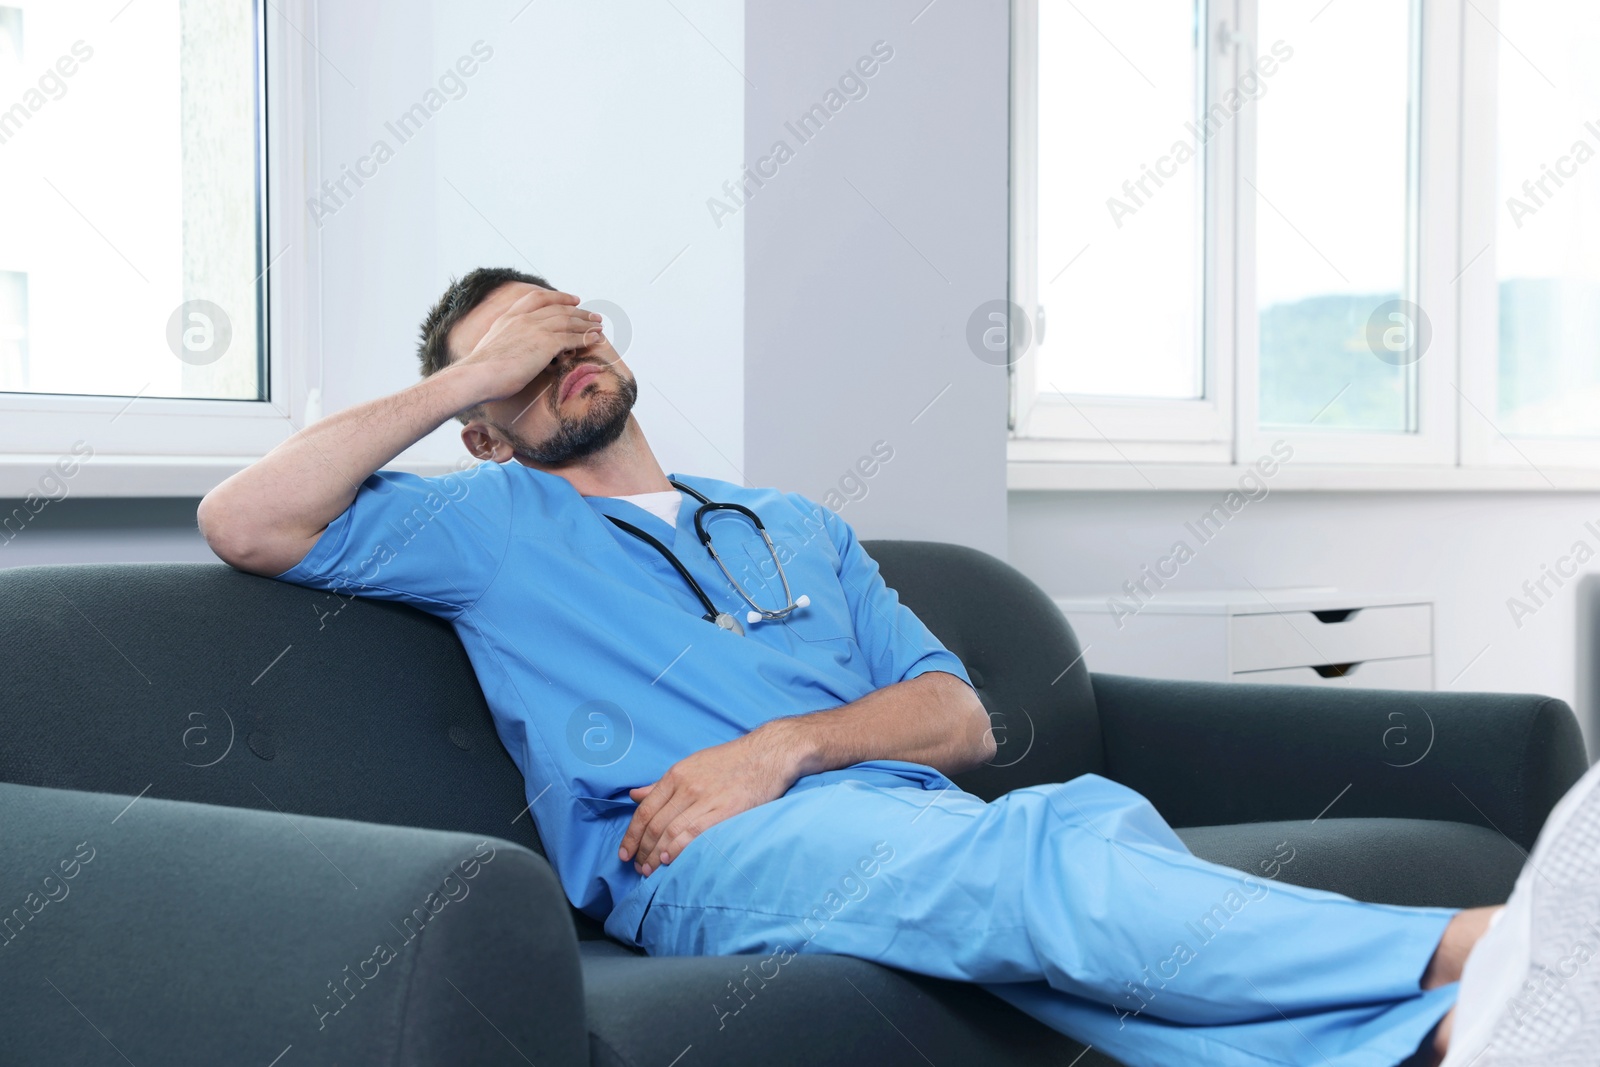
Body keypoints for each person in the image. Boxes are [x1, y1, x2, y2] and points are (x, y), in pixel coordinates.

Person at [197, 267, 1599, 1067]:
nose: (557, 352)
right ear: (486, 431)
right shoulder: (481, 522)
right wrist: (463, 377)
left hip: (890, 812)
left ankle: (1440, 1041)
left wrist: (791, 741)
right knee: (1026, 870)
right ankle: (1481, 948)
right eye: (518, 355)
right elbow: (245, 519)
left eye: (569, 323)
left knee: (1074, 834)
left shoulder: (791, 523)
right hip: (702, 858)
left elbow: (962, 720)